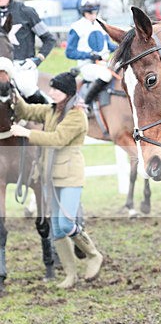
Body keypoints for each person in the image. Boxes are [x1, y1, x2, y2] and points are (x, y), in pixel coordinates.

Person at [11, 71, 104, 289]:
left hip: (70, 176)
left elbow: (57, 140)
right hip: (49, 176)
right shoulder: (52, 110)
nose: (50, 92)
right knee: (57, 228)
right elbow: (28, 110)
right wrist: (14, 94)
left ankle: (93, 254)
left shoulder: (76, 115)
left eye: (55, 89)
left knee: (66, 223)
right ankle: (71, 275)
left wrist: (26, 134)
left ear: (67, 93)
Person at [0, 0, 56, 103]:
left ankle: (50, 112)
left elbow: (49, 39)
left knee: (26, 86)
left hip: (22, 67)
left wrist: (37, 60)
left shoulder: (27, 12)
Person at [65, 0, 116, 112]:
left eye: (95, 12)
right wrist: (89, 55)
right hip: (87, 65)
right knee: (106, 75)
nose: (93, 15)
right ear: (83, 12)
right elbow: (69, 52)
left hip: (105, 63)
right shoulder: (77, 27)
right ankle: (85, 105)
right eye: (89, 13)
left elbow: (108, 45)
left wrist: (122, 46)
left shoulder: (101, 24)